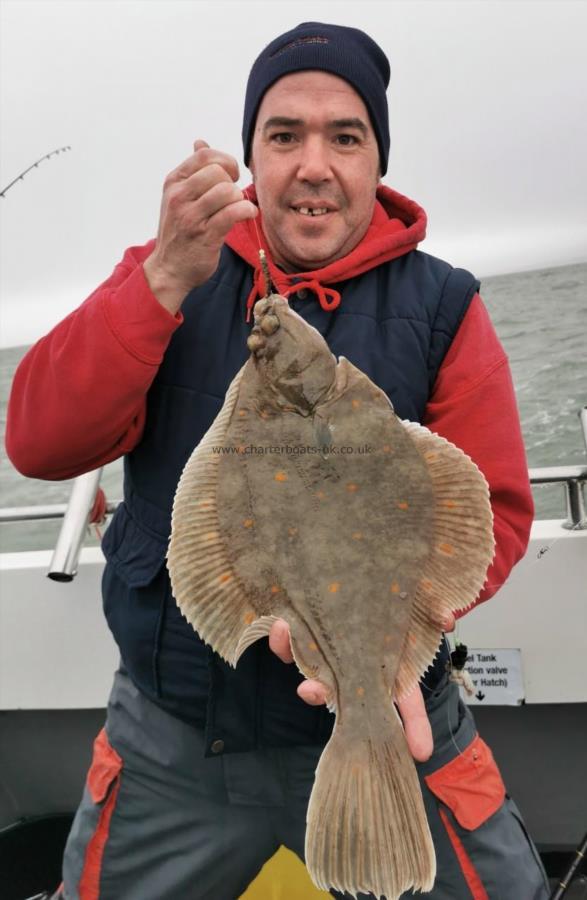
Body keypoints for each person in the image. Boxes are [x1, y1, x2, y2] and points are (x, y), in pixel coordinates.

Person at [6, 21, 550, 900]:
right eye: (283, 134)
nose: (312, 164)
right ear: (250, 156)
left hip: (394, 705)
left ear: (377, 162)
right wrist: (163, 278)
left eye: (345, 136)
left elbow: (494, 512)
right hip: (173, 734)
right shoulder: (170, 274)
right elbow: (39, 442)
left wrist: (391, 641)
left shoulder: (443, 305)